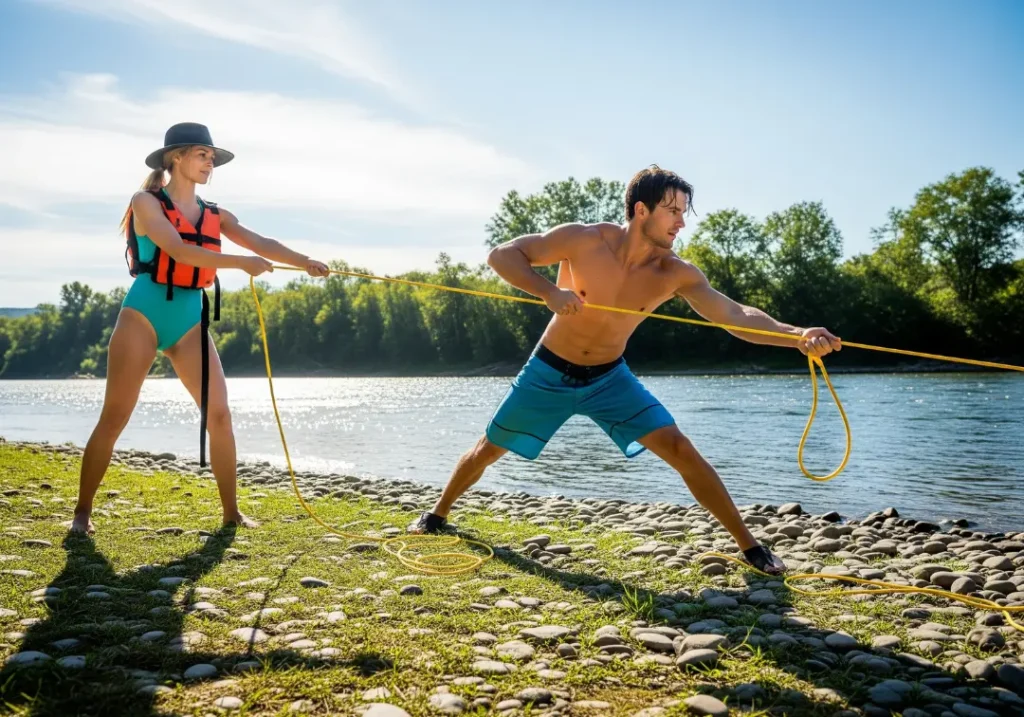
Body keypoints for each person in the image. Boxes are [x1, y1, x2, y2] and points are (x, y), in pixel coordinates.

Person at [408, 165, 841, 575]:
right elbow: (503, 256)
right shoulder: (584, 240)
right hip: (547, 372)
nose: (681, 223)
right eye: (673, 211)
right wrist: (547, 292)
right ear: (641, 210)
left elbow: (737, 316)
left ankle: (750, 546)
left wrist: (797, 334)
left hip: (609, 378)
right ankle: (438, 513)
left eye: (682, 213)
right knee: (489, 447)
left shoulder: (675, 272)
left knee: (679, 447)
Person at [69, 122, 330, 535]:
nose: (211, 162)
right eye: (202, 155)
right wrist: (240, 264)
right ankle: (82, 513)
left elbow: (260, 242)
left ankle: (231, 513)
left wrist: (305, 262)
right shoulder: (145, 201)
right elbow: (177, 249)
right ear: (176, 157)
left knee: (220, 413)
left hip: (190, 319)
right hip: (144, 314)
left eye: (212, 157)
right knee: (115, 416)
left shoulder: (215, 214)